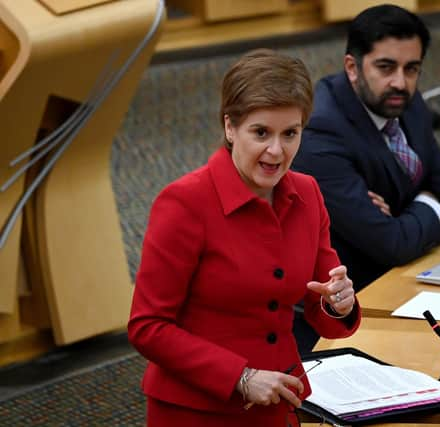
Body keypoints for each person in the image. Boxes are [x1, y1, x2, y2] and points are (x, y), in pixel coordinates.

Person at [128, 49, 361, 427]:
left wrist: (339, 302)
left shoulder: (308, 193)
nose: (276, 150)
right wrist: (240, 377)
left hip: (279, 402)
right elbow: (147, 327)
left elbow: (325, 310)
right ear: (230, 127)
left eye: (290, 133)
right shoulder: (184, 203)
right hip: (196, 411)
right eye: (261, 132)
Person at [293, 5, 440, 292]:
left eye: (411, 69)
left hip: (416, 265)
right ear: (352, 68)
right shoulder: (319, 134)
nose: (400, 83)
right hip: (351, 295)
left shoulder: (407, 103)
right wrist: (428, 202)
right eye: (386, 67)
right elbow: (391, 245)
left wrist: (403, 219)